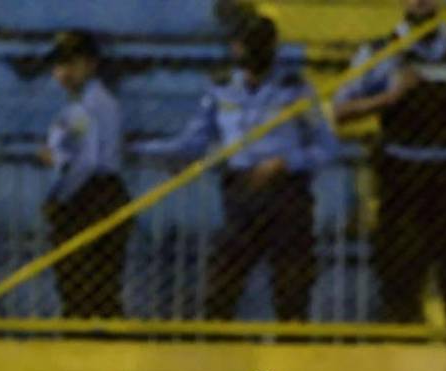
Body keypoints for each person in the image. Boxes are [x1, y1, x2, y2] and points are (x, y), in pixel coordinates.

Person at [141, 16, 335, 321]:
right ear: (235, 47)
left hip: (287, 195)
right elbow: (194, 140)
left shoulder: (296, 89)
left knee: (292, 288)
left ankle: (295, 362)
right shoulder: (221, 90)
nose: (250, 51)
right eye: (245, 44)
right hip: (241, 195)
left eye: (259, 44)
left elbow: (326, 146)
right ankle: (215, 361)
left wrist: (286, 162)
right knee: (221, 287)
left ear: (272, 47)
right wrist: (146, 151)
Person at [335, 0, 446, 323]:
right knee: (399, 271)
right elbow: (340, 110)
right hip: (402, 178)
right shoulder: (381, 51)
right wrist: (388, 97)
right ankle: (400, 341)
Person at [41, 30, 129, 319]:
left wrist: (61, 197)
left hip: (90, 198)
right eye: (59, 65)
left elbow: (87, 162)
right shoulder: (88, 104)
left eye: (71, 63)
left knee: (83, 290)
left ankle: (87, 351)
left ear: (91, 65)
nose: (63, 72)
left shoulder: (89, 106)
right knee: (96, 291)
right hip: (98, 195)